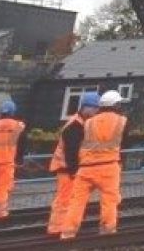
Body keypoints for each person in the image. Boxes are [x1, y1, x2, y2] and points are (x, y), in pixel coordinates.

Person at [58, 89, 128, 240]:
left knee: (76, 202)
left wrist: (74, 168)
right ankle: (107, 231)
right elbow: (125, 144)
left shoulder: (88, 122)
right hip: (109, 167)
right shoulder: (122, 121)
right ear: (116, 105)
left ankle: (68, 232)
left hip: (86, 168)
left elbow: (79, 145)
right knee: (109, 200)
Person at [47, 92, 99, 237]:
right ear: (85, 108)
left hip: (71, 168)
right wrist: (74, 171)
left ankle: (63, 227)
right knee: (65, 199)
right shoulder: (75, 126)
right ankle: (57, 229)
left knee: (71, 199)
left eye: (97, 109)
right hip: (67, 168)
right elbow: (71, 151)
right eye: (94, 108)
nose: (96, 112)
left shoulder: (81, 123)